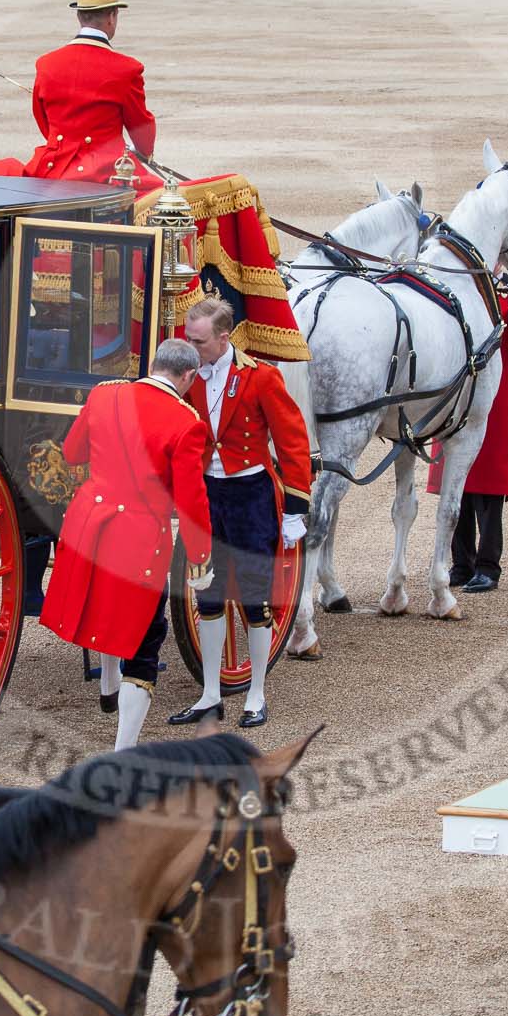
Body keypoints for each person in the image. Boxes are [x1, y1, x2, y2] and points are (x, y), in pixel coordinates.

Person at [39, 339, 214, 751]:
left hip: (88, 523)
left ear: (153, 364)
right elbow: (192, 503)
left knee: (105, 610)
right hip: (138, 538)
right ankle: (124, 750)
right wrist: (200, 563)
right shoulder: (188, 422)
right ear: (188, 376)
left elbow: (72, 451)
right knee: (145, 637)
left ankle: (109, 685)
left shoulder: (104, 395)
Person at [170, 300, 312, 731]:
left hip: (250, 497)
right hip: (206, 496)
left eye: (199, 341)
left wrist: (296, 508)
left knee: (255, 600)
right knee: (207, 597)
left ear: (224, 337)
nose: (191, 349)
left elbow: (292, 441)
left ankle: (256, 693)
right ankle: (210, 693)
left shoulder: (261, 377)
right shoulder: (187, 376)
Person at [0, 0, 158, 185]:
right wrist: (142, 151)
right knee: (175, 197)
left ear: (79, 16)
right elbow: (142, 130)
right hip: (104, 172)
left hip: (52, 168)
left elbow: (45, 124)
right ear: (112, 17)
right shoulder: (127, 69)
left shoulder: (46, 63)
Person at [430, 288, 508, 594]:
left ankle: (488, 565)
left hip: (494, 399)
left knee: (489, 491)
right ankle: (461, 563)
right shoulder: (453, 291)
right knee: (456, 484)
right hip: (457, 397)